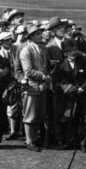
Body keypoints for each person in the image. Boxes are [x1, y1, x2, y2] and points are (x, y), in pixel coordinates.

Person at [18, 24, 51, 152]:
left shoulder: (42, 48)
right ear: (31, 37)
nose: (41, 35)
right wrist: (44, 76)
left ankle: (34, 138)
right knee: (29, 115)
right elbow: (28, 71)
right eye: (37, 34)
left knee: (38, 115)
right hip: (31, 87)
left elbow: (45, 66)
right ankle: (29, 140)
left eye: (40, 33)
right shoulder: (26, 50)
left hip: (41, 87)